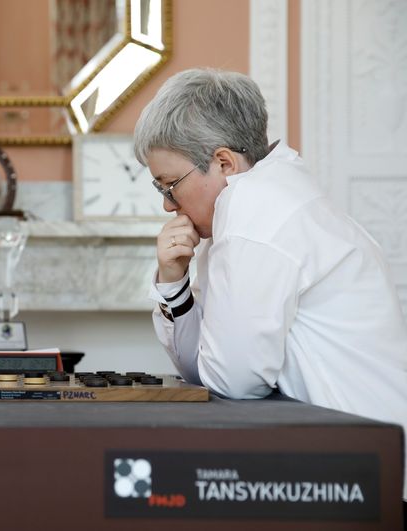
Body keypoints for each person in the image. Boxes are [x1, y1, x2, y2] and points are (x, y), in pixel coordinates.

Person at [134, 68, 407, 504]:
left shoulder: (253, 217)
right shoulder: (266, 196)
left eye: (171, 185)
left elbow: (229, 381)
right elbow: (204, 371)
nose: (168, 204)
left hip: (365, 480)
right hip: (356, 460)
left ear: (224, 162)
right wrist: (173, 281)